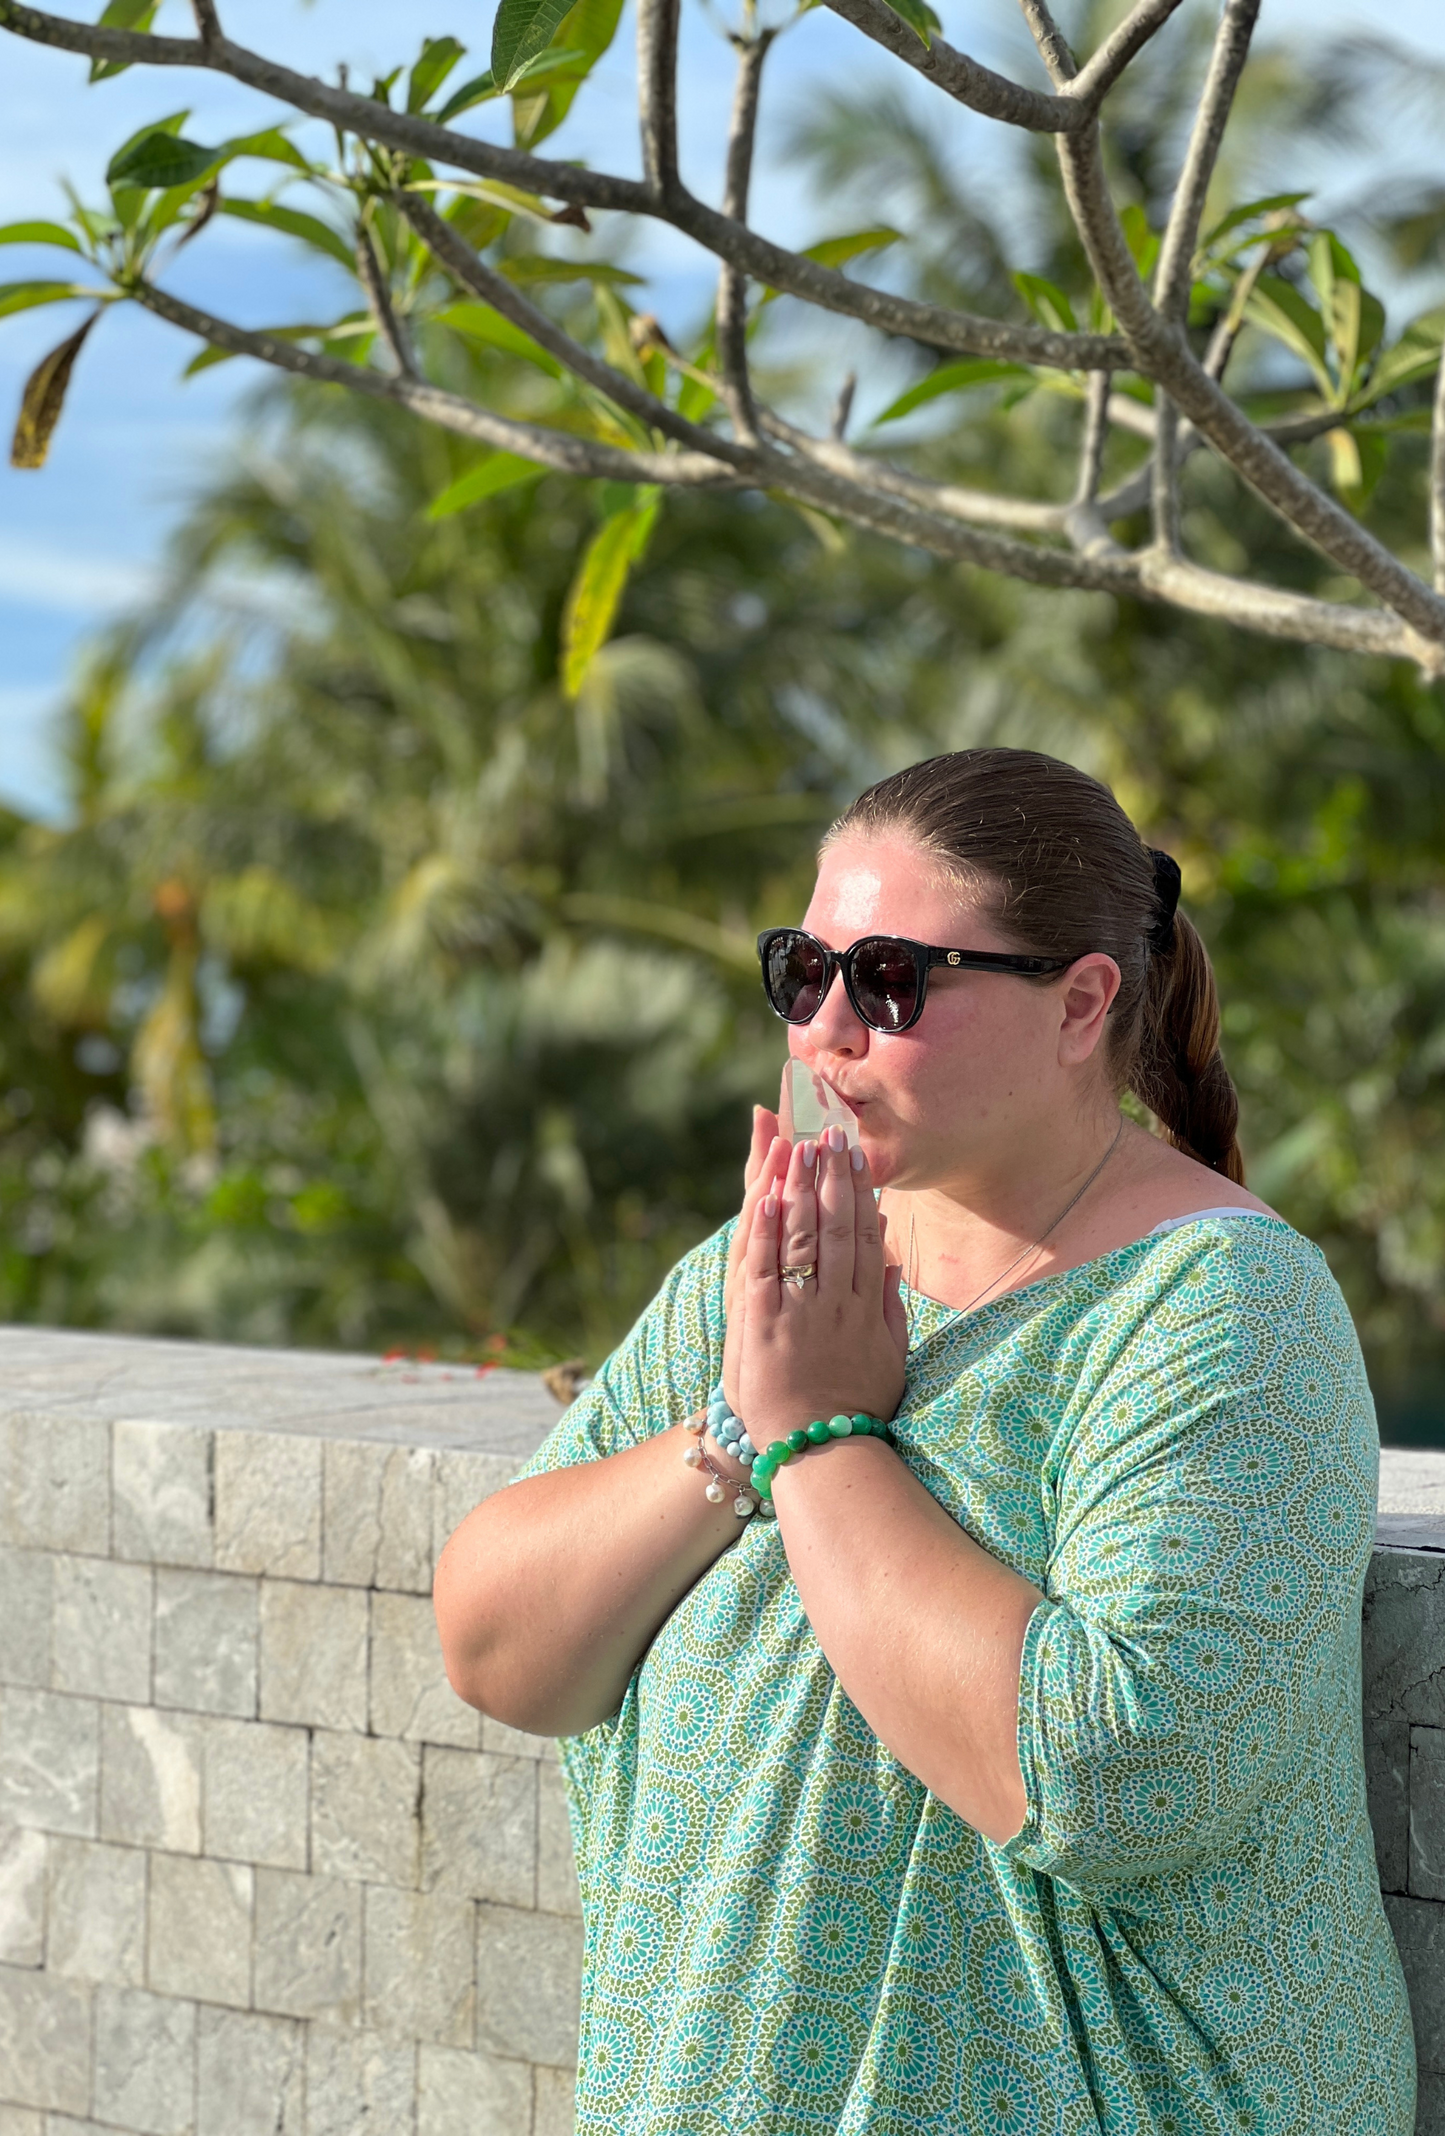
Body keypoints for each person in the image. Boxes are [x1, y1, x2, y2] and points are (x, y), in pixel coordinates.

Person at [434, 747, 1415, 2134]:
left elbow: (1115, 1775)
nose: (827, 1028)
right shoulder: (783, 1264)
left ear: (1082, 1004)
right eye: (803, 973)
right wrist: (737, 1433)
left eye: (890, 980)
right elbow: (494, 1647)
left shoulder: (1222, 1309)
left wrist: (823, 1441)